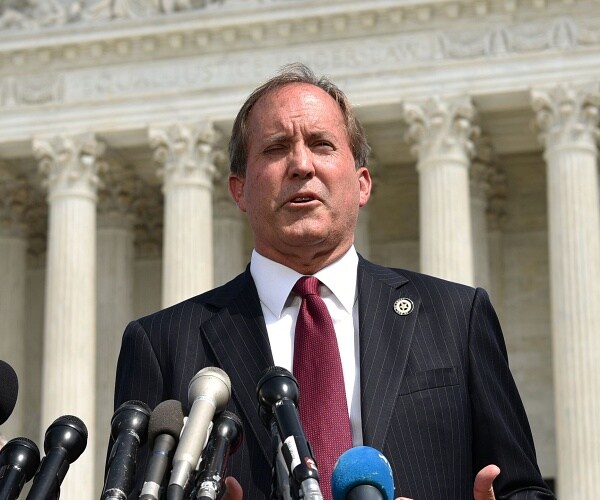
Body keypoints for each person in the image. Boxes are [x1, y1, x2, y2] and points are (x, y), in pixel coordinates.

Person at [113, 63, 555, 500]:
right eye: (276, 148)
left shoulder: (457, 319)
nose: (301, 164)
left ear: (362, 184)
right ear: (239, 189)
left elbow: (523, 489)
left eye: (322, 145)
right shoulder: (162, 343)